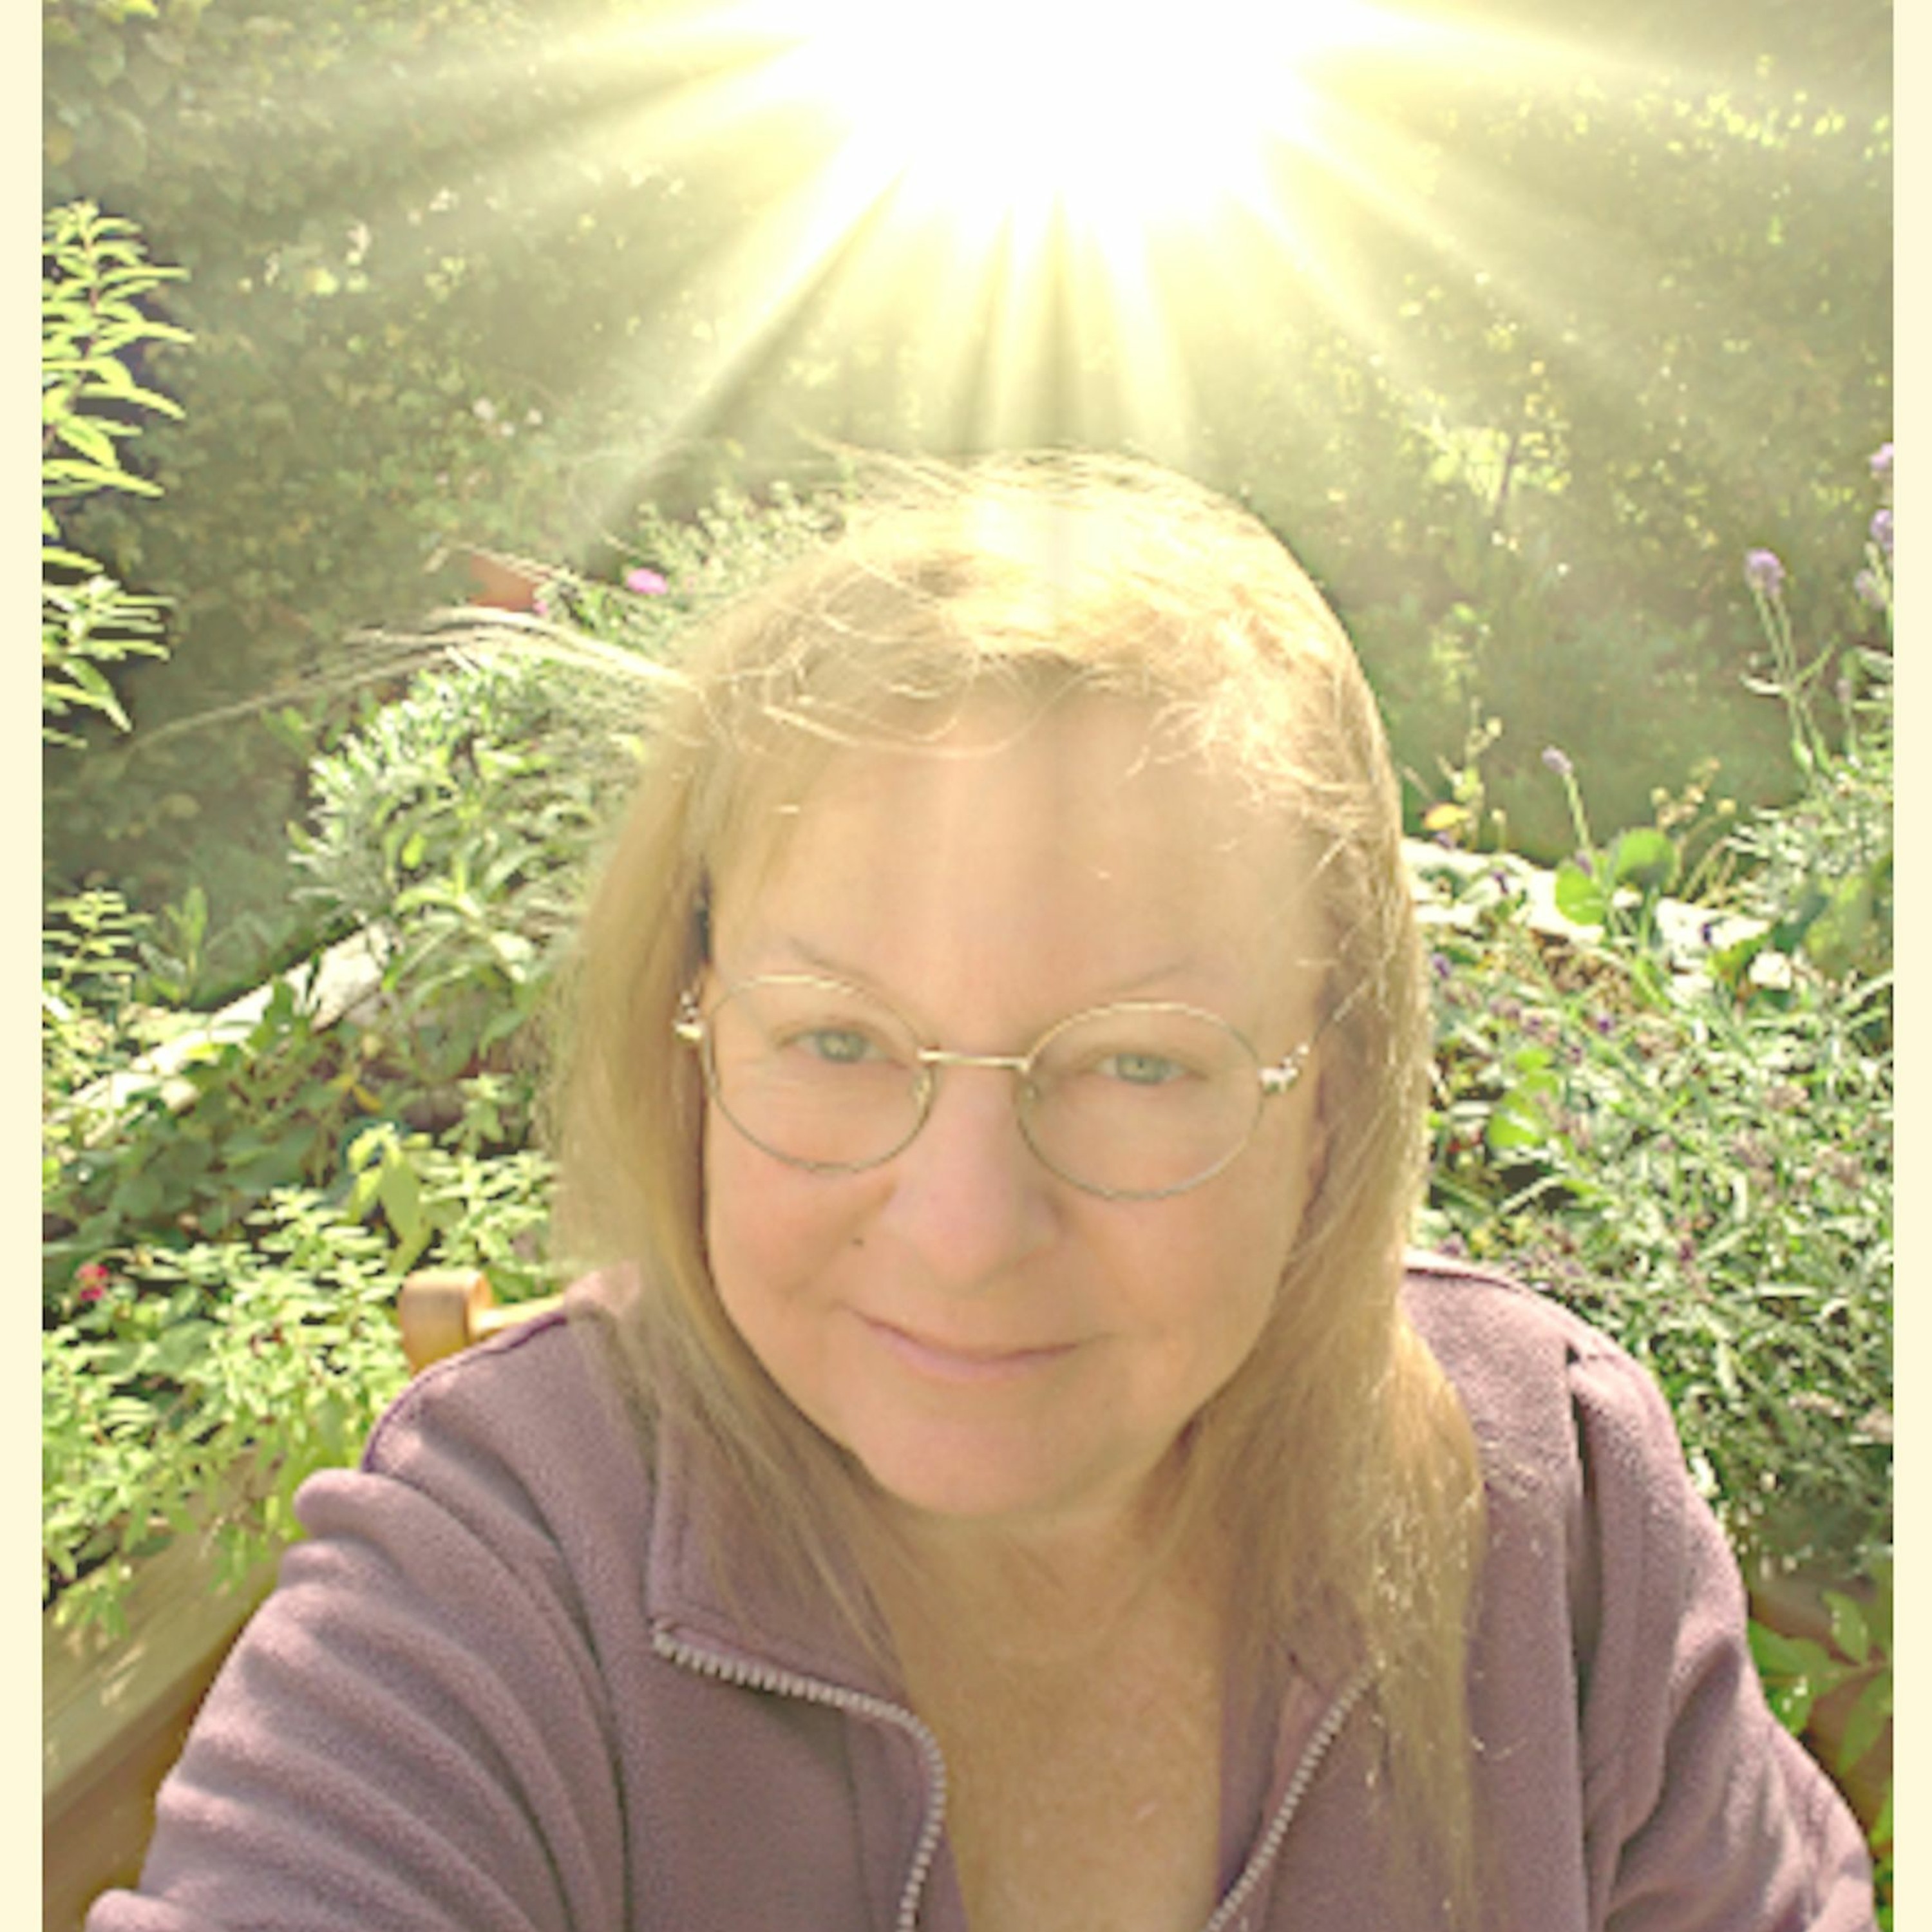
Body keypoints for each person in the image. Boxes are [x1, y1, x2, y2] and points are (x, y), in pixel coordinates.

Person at [86, 455, 1875, 1931]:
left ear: (1328, 1091)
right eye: (838, 1041)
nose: (960, 1234)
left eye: (1137, 1065)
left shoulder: (1557, 1508)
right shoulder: (504, 1576)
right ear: (692, 1032)